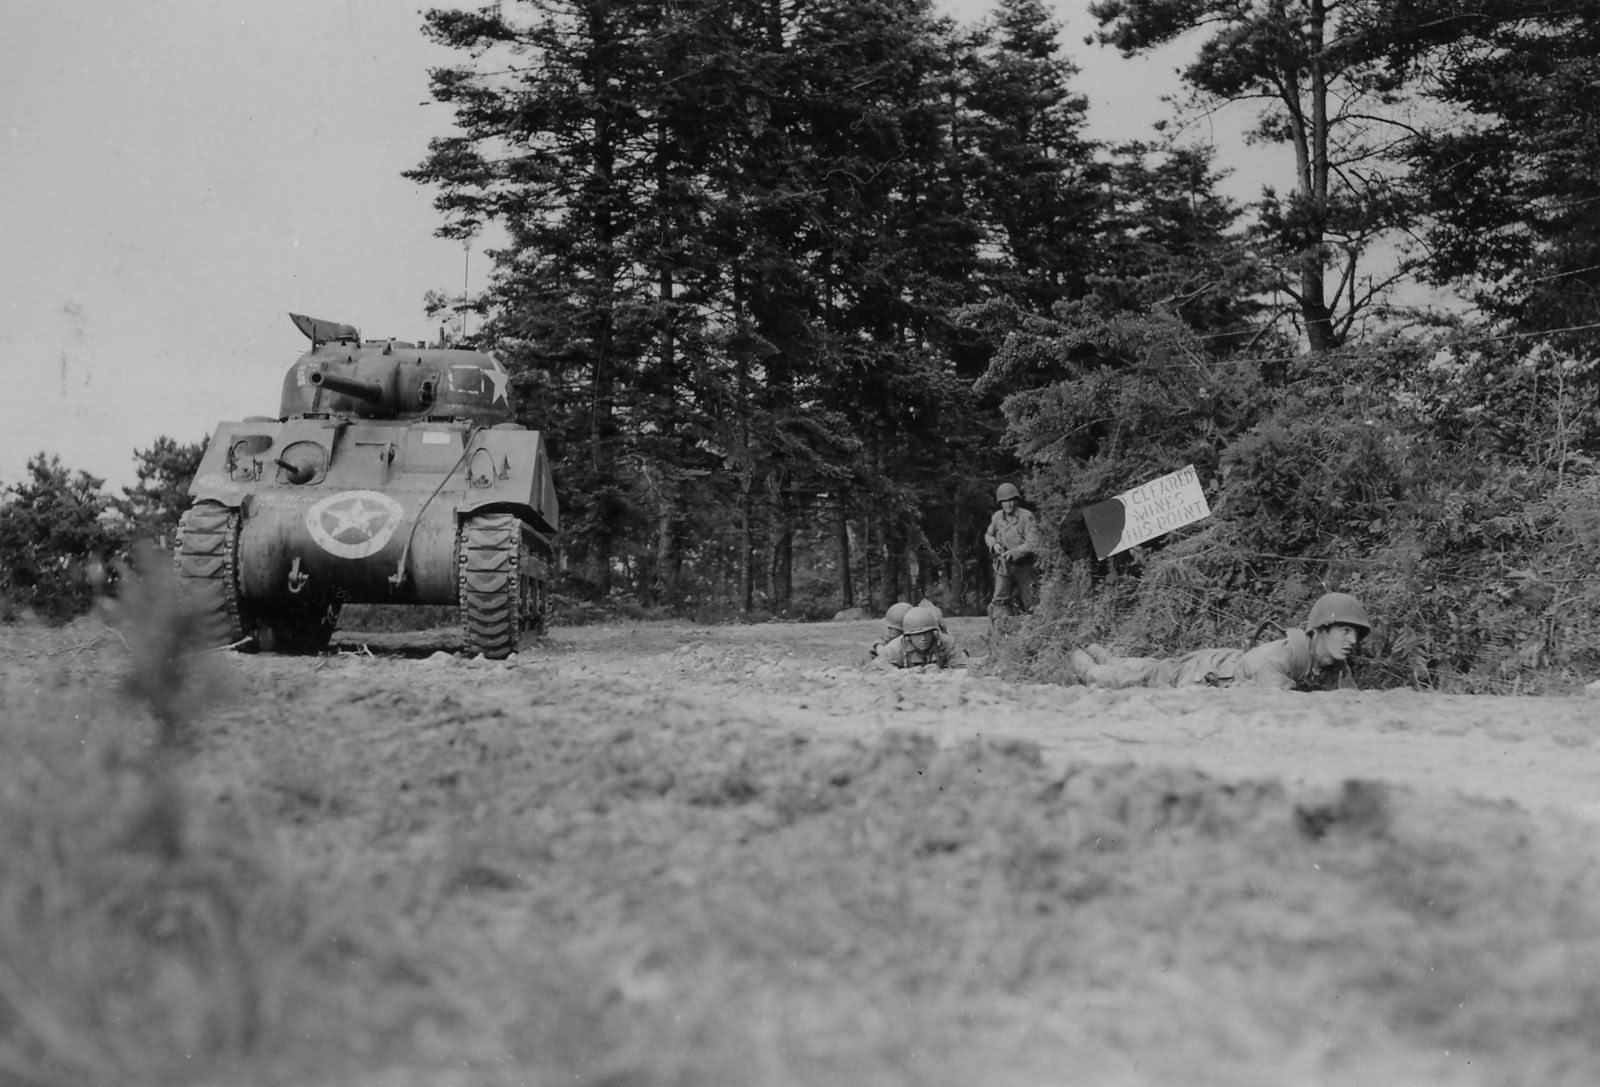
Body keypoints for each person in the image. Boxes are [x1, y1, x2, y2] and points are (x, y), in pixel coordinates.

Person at [1068, 592, 1372, 691]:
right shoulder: (1281, 657)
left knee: (1149, 667)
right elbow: (1277, 696)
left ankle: (1097, 652)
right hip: (1204, 673)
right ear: (1320, 630)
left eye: (1356, 633)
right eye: (1345, 630)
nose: (1353, 640)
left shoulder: (1337, 667)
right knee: (1123, 678)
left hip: (1222, 663)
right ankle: (1075, 653)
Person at [985, 482, 1042, 618]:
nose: (1008, 504)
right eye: (1005, 501)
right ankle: (1001, 626)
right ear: (1000, 503)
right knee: (1000, 600)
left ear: (1016, 501)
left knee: (1031, 601)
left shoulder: (1027, 516)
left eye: (1011, 500)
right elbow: (988, 535)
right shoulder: (997, 517)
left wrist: (1014, 552)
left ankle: (1032, 626)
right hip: (1003, 564)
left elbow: (1033, 543)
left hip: (1025, 565)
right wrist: (994, 544)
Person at [874, 604, 965, 670]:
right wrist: (904, 673)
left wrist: (942, 671)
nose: (923, 638)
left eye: (926, 633)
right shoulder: (896, 647)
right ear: (908, 636)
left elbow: (962, 666)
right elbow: (877, 667)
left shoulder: (947, 642)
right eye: (917, 634)